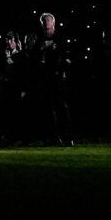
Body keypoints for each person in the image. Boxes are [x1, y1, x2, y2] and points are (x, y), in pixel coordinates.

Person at [22, 11, 73, 146]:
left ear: (53, 23)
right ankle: (52, 137)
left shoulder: (60, 38)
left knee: (62, 108)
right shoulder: (39, 40)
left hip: (57, 78)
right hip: (45, 79)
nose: (45, 24)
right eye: (43, 22)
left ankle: (67, 137)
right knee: (47, 110)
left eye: (48, 21)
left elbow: (66, 57)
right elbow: (34, 58)